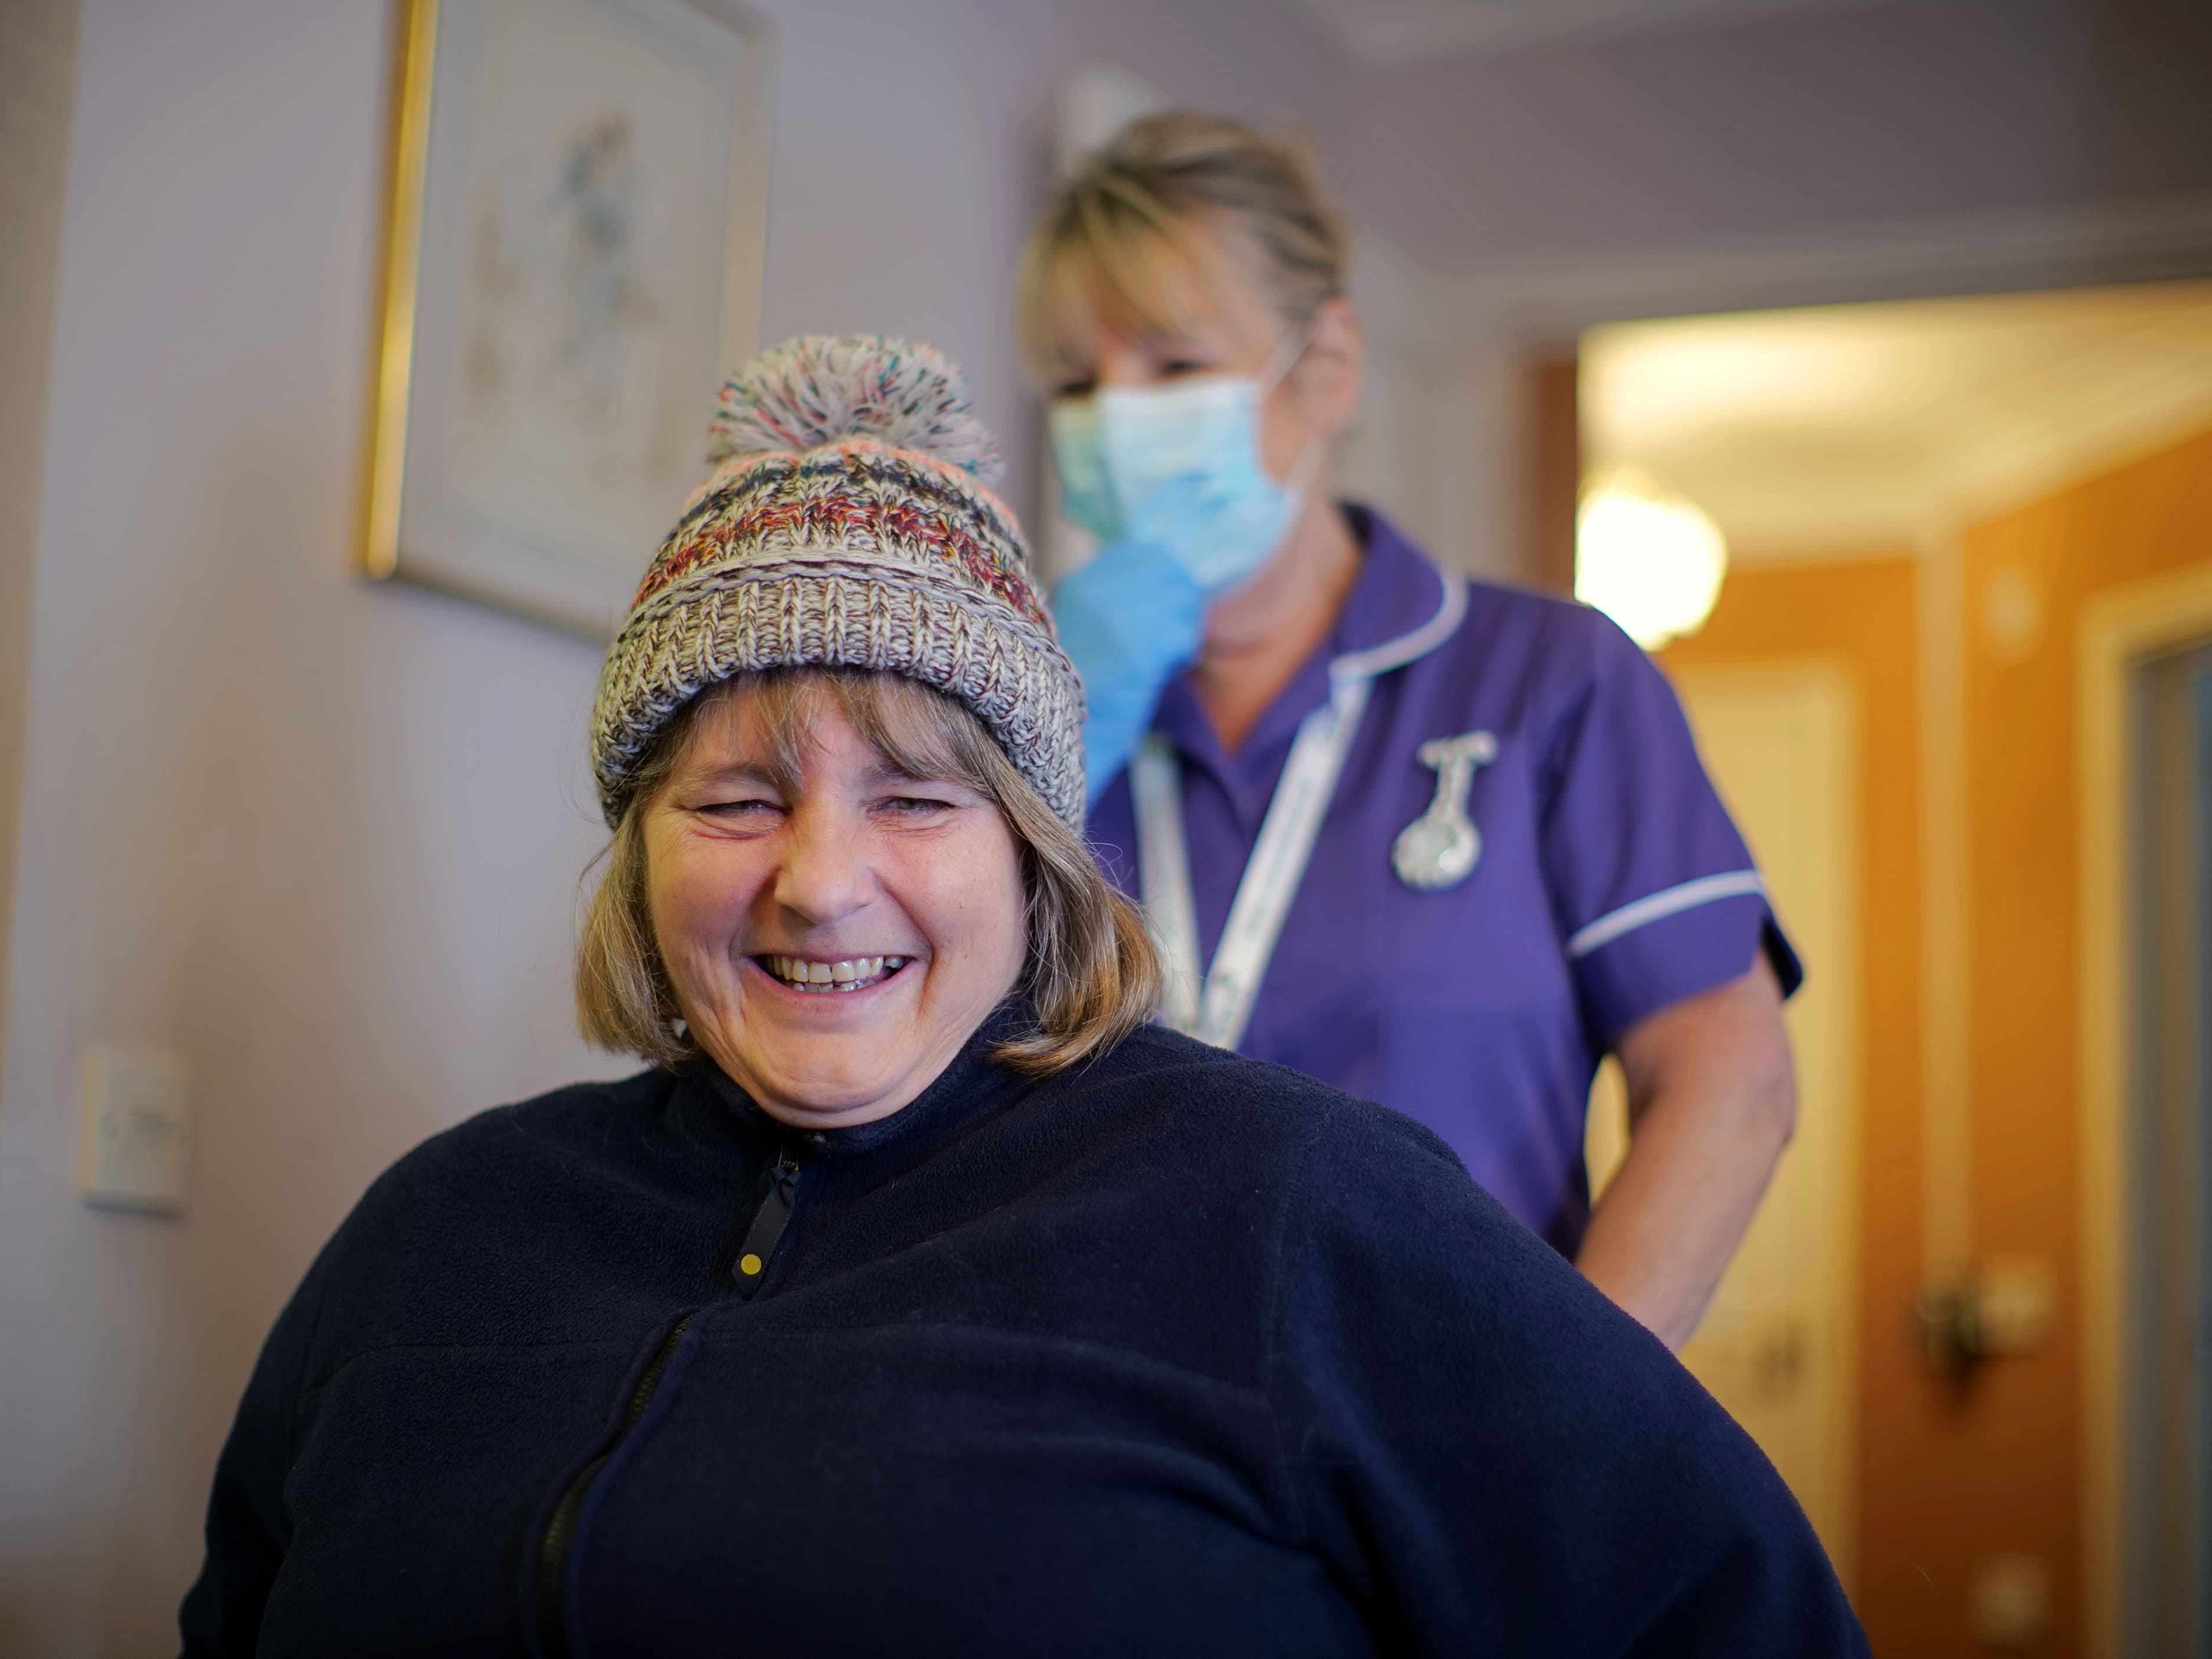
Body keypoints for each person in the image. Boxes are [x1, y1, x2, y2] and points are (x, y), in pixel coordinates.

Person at [178, 337, 1861, 1656]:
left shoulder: (1293, 1207)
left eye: (917, 798)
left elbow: (1728, 1613)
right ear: (640, 848)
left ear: (1034, 855)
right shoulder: (434, 1231)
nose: (820, 879)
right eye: (737, 799)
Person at [1027, 113, 1801, 1346]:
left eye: (1174, 365)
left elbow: (1731, 1076)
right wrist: (1027, 747)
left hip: (1450, 1412)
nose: (1116, 420)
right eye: (1077, 381)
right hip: (1096, 1412)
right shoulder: (1030, 711)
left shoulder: (1550, 681)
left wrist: (1574, 1409)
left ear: (1328, 365)